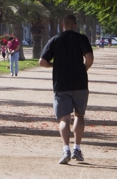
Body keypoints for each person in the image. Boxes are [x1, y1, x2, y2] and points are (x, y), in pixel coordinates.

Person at [39, 13, 94, 165]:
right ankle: (77, 148)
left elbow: (42, 62)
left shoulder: (54, 40)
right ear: (75, 25)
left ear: (62, 24)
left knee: (64, 118)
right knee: (79, 115)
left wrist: (55, 65)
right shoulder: (81, 39)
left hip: (61, 84)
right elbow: (89, 57)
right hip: (80, 83)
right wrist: (85, 68)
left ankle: (66, 150)